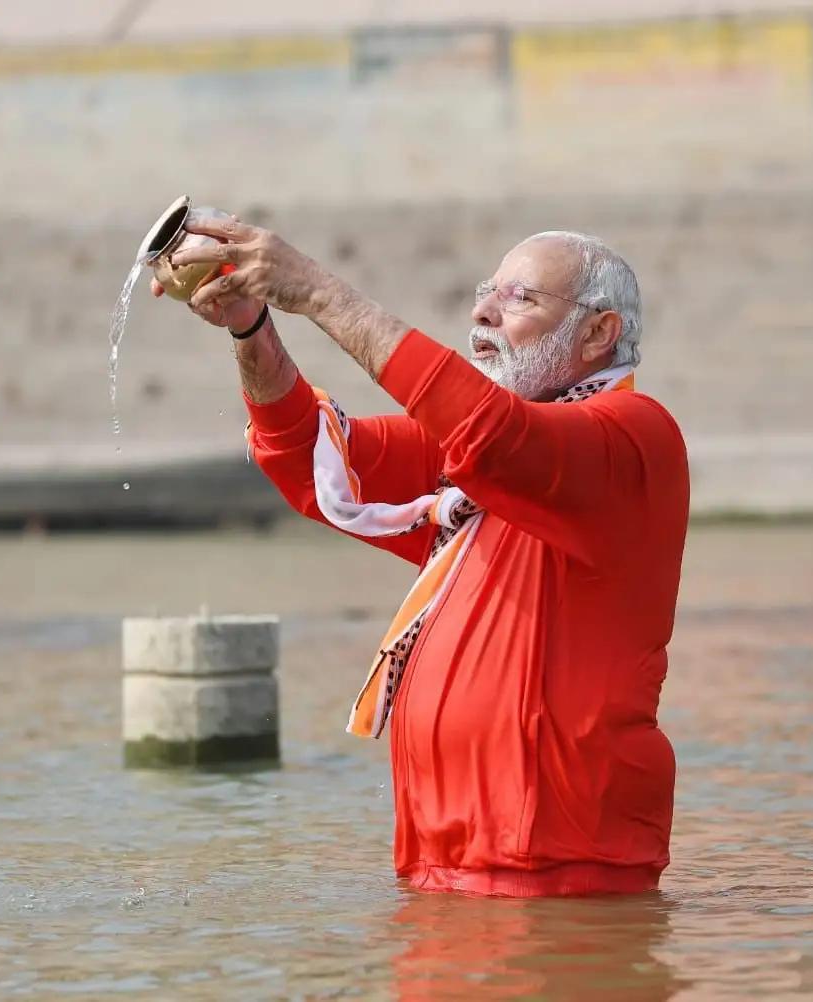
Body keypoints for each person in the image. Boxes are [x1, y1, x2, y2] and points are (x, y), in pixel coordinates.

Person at [152, 212, 689, 897]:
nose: (483, 314)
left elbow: (493, 436)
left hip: (564, 869)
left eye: (520, 299)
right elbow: (310, 456)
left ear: (598, 333)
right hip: (438, 868)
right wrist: (250, 326)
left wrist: (315, 290)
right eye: (486, 293)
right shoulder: (469, 461)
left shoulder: (634, 437)